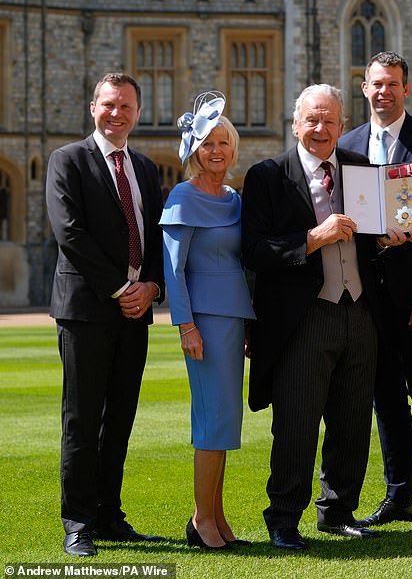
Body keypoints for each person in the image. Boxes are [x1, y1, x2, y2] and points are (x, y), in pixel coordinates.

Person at [241, 83, 404, 551]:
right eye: (312, 119)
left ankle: (336, 511)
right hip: (304, 316)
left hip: (361, 312)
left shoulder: (361, 171)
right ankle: (284, 518)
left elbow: (375, 236)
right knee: (296, 420)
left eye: (330, 120)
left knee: (352, 420)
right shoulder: (268, 176)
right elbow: (253, 251)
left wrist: (389, 240)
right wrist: (314, 237)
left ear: (342, 125)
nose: (321, 129)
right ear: (295, 124)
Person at [46, 73, 165, 556]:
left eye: (127, 106)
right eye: (110, 105)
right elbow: (69, 233)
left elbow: (156, 235)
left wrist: (151, 286)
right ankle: (78, 522)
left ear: (138, 112)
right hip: (88, 310)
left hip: (135, 311)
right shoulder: (67, 160)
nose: (118, 114)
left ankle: (110, 515)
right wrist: (121, 288)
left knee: (120, 418)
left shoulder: (145, 166)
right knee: (81, 418)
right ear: (93, 107)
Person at [339, 51, 412, 537]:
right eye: (376, 85)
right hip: (369, 296)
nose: (383, 92)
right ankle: (399, 495)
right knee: (383, 398)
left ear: (407, 89)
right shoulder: (347, 145)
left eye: (393, 85)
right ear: (363, 89)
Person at [160, 92, 256, 550]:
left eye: (224, 142)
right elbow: (173, 269)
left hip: (234, 318)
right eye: (206, 144)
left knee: (225, 422)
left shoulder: (236, 198)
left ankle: (216, 516)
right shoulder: (182, 195)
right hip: (203, 322)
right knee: (212, 422)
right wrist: (186, 325)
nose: (216, 150)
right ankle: (202, 520)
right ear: (193, 151)